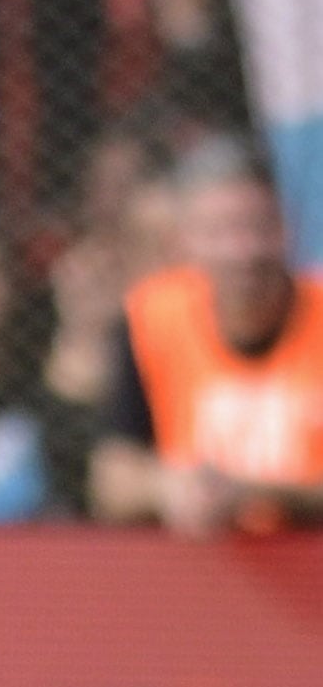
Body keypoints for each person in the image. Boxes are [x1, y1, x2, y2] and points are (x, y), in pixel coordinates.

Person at [89, 136, 323, 534]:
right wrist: (163, 487)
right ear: (186, 241)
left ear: (287, 228)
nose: (243, 252)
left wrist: (252, 493)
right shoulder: (151, 318)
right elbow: (110, 479)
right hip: (200, 570)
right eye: (220, 232)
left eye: (258, 227)